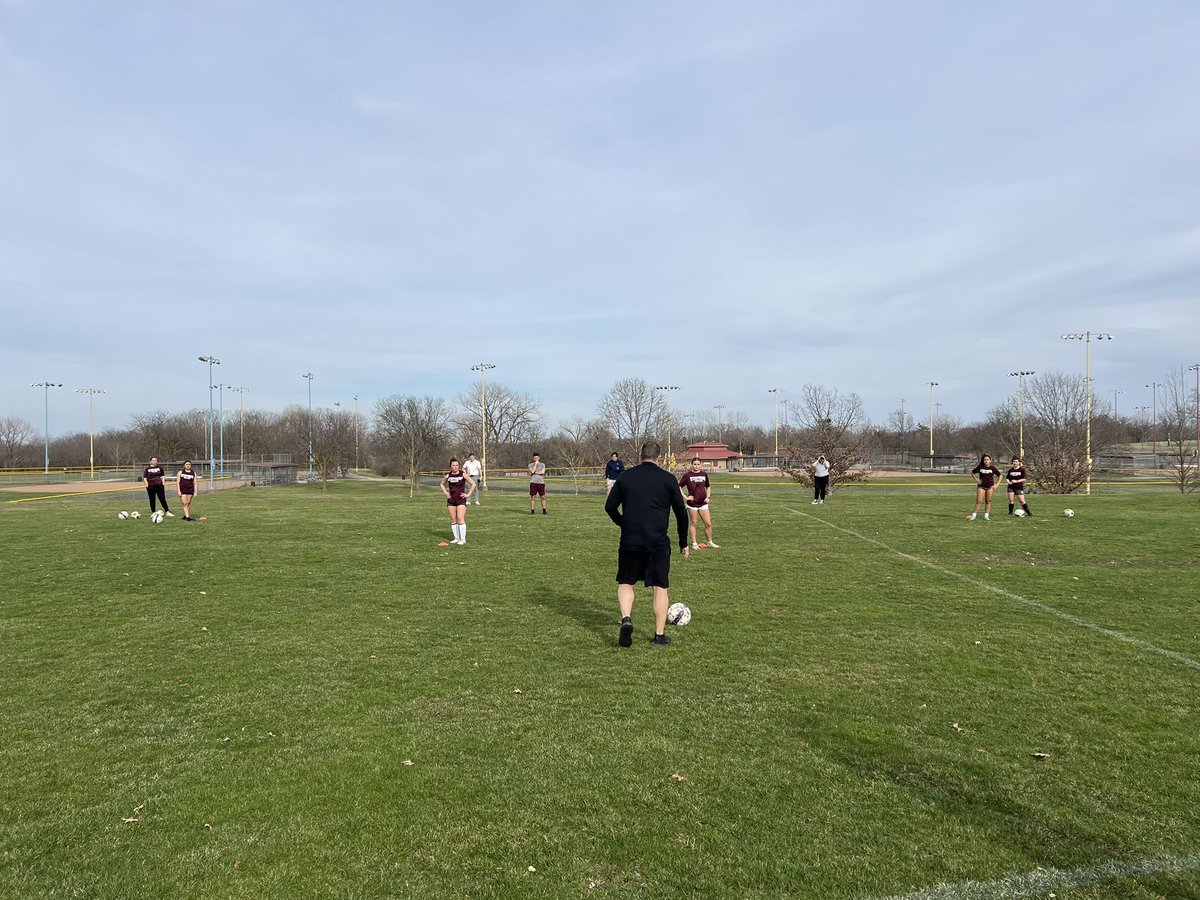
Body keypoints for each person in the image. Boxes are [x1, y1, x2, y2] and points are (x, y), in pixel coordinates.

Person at [605, 441, 690, 648]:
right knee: (660, 587)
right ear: (659, 458)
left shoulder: (626, 477)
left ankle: (626, 618)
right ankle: (659, 636)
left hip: (630, 541)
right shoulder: (668, 479)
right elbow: (681, 513)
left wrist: (623, 523)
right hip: (657, 543)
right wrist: (683, 541)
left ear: (640, 456)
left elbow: (609, 507)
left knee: (626, 583)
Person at [679, 456, 720, 550]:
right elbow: (679, 486)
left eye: (698, 464)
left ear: (700, 465)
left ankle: (710, 542)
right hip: (692, 504)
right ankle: (694, 543)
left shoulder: (704, 474)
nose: (696, 466)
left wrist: (708, 497)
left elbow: (708, 486)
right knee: (694, 523)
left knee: (708, 524)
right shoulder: (687, 476)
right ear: (691, 465)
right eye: (694, 464)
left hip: (703, 504)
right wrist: (686, 497)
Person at [441, 457, 476, 544]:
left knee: (460, 518)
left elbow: (473, 484)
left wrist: (468, 494)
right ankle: (456, 538)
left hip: (461, 500)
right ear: (450, 466)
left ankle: (463, 539)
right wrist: (446, 492)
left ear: (459, 466)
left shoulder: (463, 474)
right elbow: (442, 484)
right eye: (453, 465)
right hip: (451, 500)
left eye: (457, 465)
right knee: (453, 520)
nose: (455, 467)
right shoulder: (448, 476)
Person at [967, 454, 1000, 521]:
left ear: (990, 460)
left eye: (987, 459)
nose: (986, 461)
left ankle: (986, 516)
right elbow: (972, 472)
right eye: (985, 460)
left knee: (988, 501)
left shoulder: (993, 468)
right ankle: (973, 516)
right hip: (981, 487)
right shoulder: (980, 467)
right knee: (979, 501)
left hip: (990, 487)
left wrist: (997, 485)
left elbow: (1000, 475)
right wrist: (976, 480)